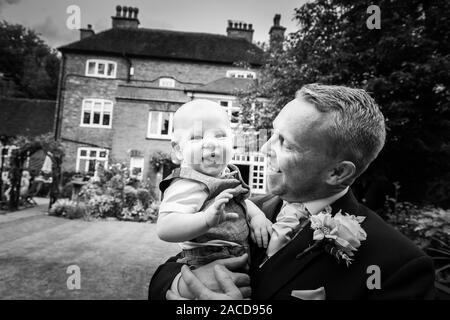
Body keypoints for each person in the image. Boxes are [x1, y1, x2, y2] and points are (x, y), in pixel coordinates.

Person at [149, 84, 436, 300]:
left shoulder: (398, 267)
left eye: (285, 144)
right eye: (272, 133)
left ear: (338, 172)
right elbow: (166, 272)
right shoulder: (245, 206)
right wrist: (183, 286)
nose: (264, 149)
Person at [156, 99, 273, 269]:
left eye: (220, 136)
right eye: (196, 137)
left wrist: (257, 217)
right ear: (178, 150)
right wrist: (205, 220)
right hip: (206, 263)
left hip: (237, 257)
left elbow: (239, 202)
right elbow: (165, 228)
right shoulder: (187, 183)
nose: (211, 143)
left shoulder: (224, 174)